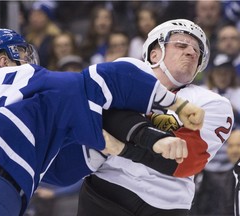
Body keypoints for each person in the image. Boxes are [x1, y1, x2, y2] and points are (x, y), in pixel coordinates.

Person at [0, 27, 203, 216]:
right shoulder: (22, 77)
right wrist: (176, 104)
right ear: (2, 61)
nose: (27, 58)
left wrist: (109, 148)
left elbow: (57, 169)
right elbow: (107, 79)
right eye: (19, 52)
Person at [77, 19, 234, 216]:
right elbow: (100, 117)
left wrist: (124, 147)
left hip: (166, 204)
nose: (192, 52)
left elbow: (185, 162)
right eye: (181, 45)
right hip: (106, 190)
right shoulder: (127, 69)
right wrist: (155, 140)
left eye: (197, 51)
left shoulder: (212, 103)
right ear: (154, 53)